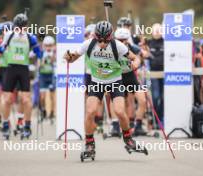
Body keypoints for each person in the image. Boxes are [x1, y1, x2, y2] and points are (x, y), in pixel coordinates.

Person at [64, 21, 147, 157]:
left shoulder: (118, 45)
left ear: (110, 37)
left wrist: (135, 64)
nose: (102, 43)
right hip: (96, 81)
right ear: (95, 37)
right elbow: (73, 57)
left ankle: (128, 139)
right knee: (90, 111)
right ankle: (89, 144)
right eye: (99, 40)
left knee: (120, 111)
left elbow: (135, 57)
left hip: (115, 81)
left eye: (105, 41)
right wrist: (68, 57)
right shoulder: (88, 44)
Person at [0, 13, 42, 139]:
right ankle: (5, 124)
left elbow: (38, 52)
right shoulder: (9, 35)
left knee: (26, 99)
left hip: (23, 69)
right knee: (7, 99)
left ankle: (26, 126)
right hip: (10, 68)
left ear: (26, 26)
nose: (21, 29)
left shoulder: (30, 37)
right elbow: (0, 49)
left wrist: (39, 52)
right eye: (18, 26)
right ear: (15, 26)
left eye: (23, 26)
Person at [113, 27, 147, 136]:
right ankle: (116, 126)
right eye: (119, 40)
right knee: (120, 103)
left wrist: (136, 64)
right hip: (118, 77)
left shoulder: (133, 48)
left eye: (124, 39)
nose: (122, 42)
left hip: (131, 77)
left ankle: (138, 125)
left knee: (142, 100)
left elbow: (141, 57)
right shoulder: (112, 49)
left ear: (127, 39)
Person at [146, 23, 164, 124]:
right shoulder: (148, 43)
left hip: (164, 74)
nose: (157, 32)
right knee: (156, 96)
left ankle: (161, 118)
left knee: (163, 97)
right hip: (152, 74)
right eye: (155, 30)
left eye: (159, 30)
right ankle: (156, 120)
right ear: (152, 32)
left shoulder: (166, 43)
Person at [39, 35, 56, 122]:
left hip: (52, 75)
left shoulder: (55, 52)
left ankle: (52, 113)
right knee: (42, 96)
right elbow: (39, 65)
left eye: (50, 45)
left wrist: (52, 56)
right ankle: (43, 111)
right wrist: (43, 59)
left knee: (52, 96)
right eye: (47, 45)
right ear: (44, 45)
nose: (48, 47)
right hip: (43, 75)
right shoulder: (41, 53)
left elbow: (55, 63)